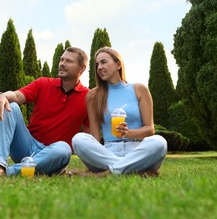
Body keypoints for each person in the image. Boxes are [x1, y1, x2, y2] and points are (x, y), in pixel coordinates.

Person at [0, 47, 89, 176]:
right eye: (61, 60)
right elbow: (16, 96)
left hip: (54, 156)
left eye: (68, 61)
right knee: (10, 106)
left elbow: (89, 138)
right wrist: (3, 96)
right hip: (27, 147)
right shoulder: (43, 83)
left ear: (82, 68)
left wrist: (92, 169)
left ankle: (8, 171)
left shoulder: (88, 98)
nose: (62, 63)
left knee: (64, 148)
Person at [71, 47, 167, 176]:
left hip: (137, 150)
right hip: (109, 152)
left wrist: (129, 133)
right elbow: (95, 137)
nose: (99, 67)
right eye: (97, 64)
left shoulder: (139, 89)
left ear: (118, 64)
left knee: (159, 142)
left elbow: (150, 130)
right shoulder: (93, 96)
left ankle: (107, 173)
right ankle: (133, 170)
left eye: (104, 62)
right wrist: (92, 156)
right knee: (79, 139)